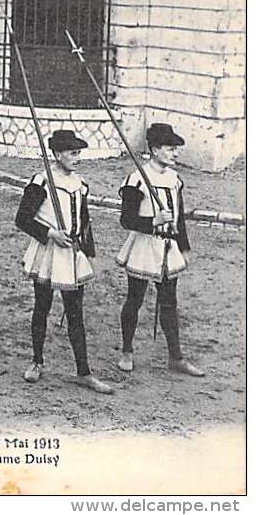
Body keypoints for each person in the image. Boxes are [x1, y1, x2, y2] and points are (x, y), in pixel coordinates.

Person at [14, 130, 113, 394]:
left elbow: (84, 221)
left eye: (78, 153)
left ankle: (84, 372)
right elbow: (22, 219)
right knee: (42, 308)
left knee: (75, 314)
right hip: (48, 252)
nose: (76, 158)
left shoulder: (80, 184)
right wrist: (50, 233)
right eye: (71, 153)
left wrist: (88, 253)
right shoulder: (41, 182)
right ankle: (36, 361)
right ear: (57, 155)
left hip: (71, 254)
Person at [115, 123, 204, 377]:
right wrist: (151, 221)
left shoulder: (174, 180)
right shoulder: (137, 179)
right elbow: (126, 219)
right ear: (154, 150)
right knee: (135, 299)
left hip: (169, 247)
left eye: (176, 149)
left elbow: (180, 219)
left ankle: (176, 357)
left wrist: (184, 246)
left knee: (169, 303)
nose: (176, 154)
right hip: (145, 245)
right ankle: (127, 351)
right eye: (170, 149)